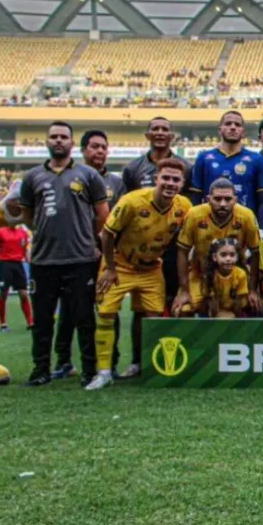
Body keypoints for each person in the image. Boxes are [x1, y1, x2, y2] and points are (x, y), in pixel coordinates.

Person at [14, 121, 110, 387]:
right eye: (54, 136)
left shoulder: (88, 175)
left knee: (84, 318)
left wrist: (87, 239)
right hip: (44, 260)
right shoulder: (32, 177)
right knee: (42, 319)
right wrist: (45, 231)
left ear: (71, 143)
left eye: (63, 137)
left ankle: (89, 370)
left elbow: (102, 215)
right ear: (47, 141)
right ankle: (40, 370)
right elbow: (28, 216)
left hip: (81, 259)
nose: (58, 140)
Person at [90, 159, 191, 390]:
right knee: (106, 314)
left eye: (176, 180)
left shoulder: (184, 206)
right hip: (120, 264)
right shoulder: (132, 201)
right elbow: (106, 235)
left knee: (154, 318)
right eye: (166, 178)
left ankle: (150, 368)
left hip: (151, 268)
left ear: (182, 183)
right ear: (156, 179)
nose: (170, 183)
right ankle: (104, 372)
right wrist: (110, 267)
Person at [54, 129, 124, 379]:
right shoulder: (68, 178)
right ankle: (63, 361)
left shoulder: (116, 183)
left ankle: (110, 362)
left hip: (106, 255)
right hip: (75, 254)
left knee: (109, 308)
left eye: (103, 147)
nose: (100, 151)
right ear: (83, 150)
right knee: (70, 308)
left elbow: (121, 219)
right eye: (94, 146)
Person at [120, 116, 193, 321]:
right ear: (147, 135)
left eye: (164, 129)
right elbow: (126, 209)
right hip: (142, 251)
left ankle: (178, 341)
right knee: (143, 309)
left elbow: (191, 208)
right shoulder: (132, 169)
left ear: (172, 136)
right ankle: (141, 344)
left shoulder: (186, 168)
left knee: (177, 302)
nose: (160, 132)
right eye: (155, 128)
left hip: (174, 247)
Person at [174, 178, 262, 318]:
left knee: (253, 306)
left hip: (235, 276)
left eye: (228, 199)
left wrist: (253, 289)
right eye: (217, 199)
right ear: (208, 199)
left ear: (235, 200)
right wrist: (184, 290)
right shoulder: (195, 215)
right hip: (201, 275)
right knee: (183, 309)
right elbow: (182, 251)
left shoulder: (246, 216)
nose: (222, 204)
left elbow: (256, 253)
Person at [189, 110, 263, 231]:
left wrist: (262, 230)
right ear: (220, 129)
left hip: (245, 228)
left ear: (243, 132)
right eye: (228, 123)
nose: (233, 127)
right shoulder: (204, 158)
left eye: (237, 124)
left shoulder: (257, 159)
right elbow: (196, 198)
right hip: (210, 228)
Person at [0, 224, 32, 333]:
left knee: (23, 293)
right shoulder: (0, 232)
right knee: (3, 294)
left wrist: (30, 261)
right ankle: (3, 324)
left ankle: (30, 323)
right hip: (4, 265)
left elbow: (25, 250)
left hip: (19, 265)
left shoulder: (23, 233)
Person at [202, 237, 248, 318]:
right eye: (223, 255)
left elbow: (238, 303)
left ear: (237, 257)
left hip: (235, 310)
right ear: (215, 257)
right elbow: (212, 303)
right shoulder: (210, 275)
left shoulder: (241, 274)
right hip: (216, 311)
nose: (228, 259)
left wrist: (234, 317)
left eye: (232, 255)